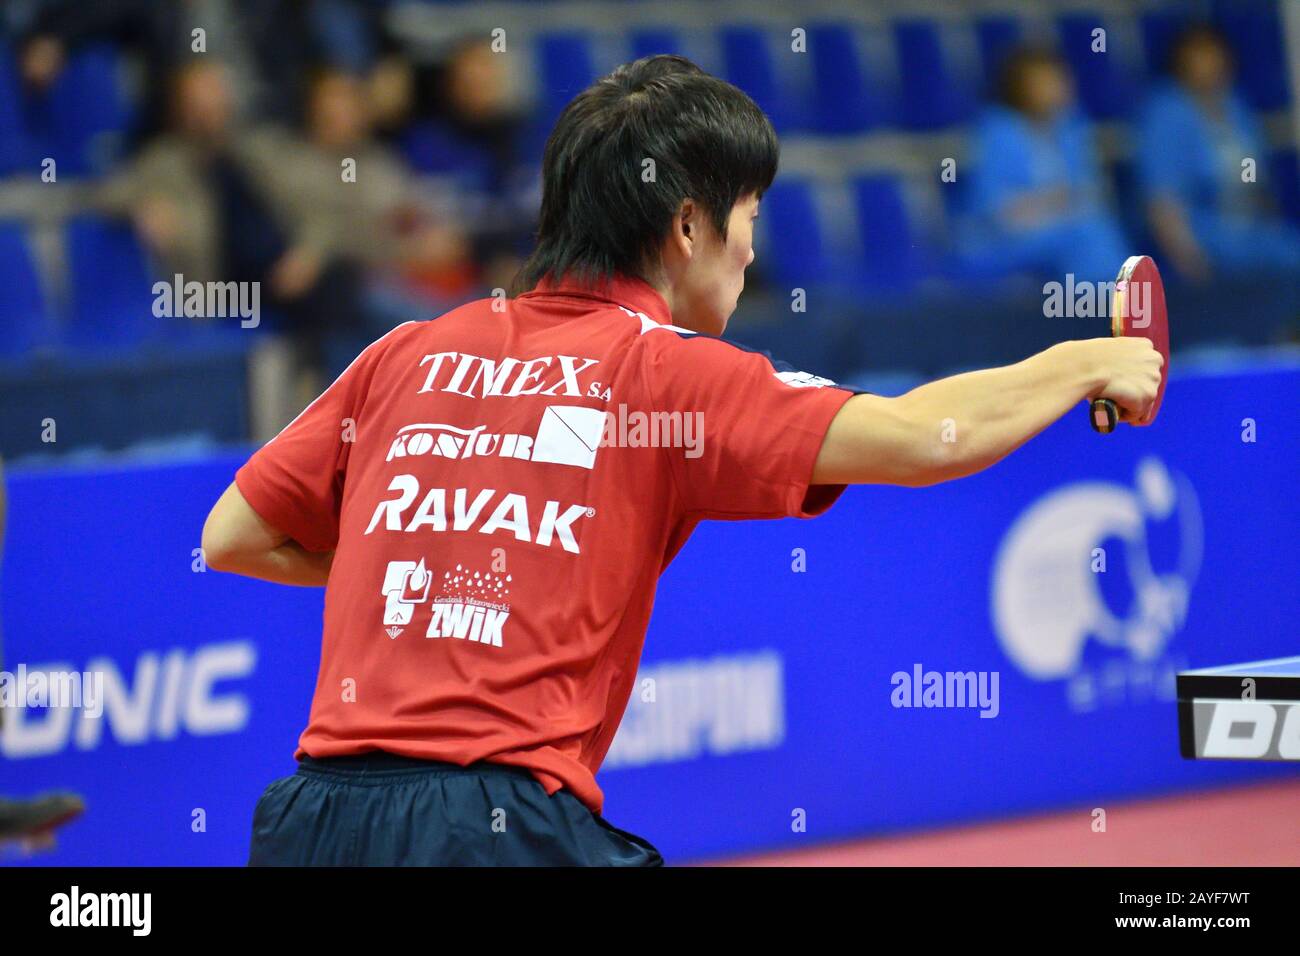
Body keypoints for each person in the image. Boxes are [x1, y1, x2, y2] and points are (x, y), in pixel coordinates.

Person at [201, 55, 1162, 866]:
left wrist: (420, 553)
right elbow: (923, 438)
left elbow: (233, 535)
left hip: (310, 820)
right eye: (751, 218)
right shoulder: (667, 372)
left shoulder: (405, 352)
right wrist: (1084, 362)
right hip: (496, 825)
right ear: (691, 226)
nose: (750, 254)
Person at [1137, 24, 1300, 282]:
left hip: (1251, 227)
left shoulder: (1235, 105)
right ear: (1181, 61)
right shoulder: (1166, 113)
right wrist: (1191, 263)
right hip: (1203, 230)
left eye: (1213, 54)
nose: (1209, 65)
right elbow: (1163, 202)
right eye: (1199, 56)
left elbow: (1256, 176)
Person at [959, 47, 1129, 284]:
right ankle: (1111, 298)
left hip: (1064, 227)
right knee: (1087, 232)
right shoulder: (997, 132)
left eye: (1060, 80)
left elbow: (1091, 193)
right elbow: (998, 214)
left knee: (1097, 227)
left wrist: (1061, 202)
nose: (1057, 89)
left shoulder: (1071, 126)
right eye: (1045, 82)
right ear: (1019, 87)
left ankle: (1109, 296)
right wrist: (1056, 202)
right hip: (998, 241)